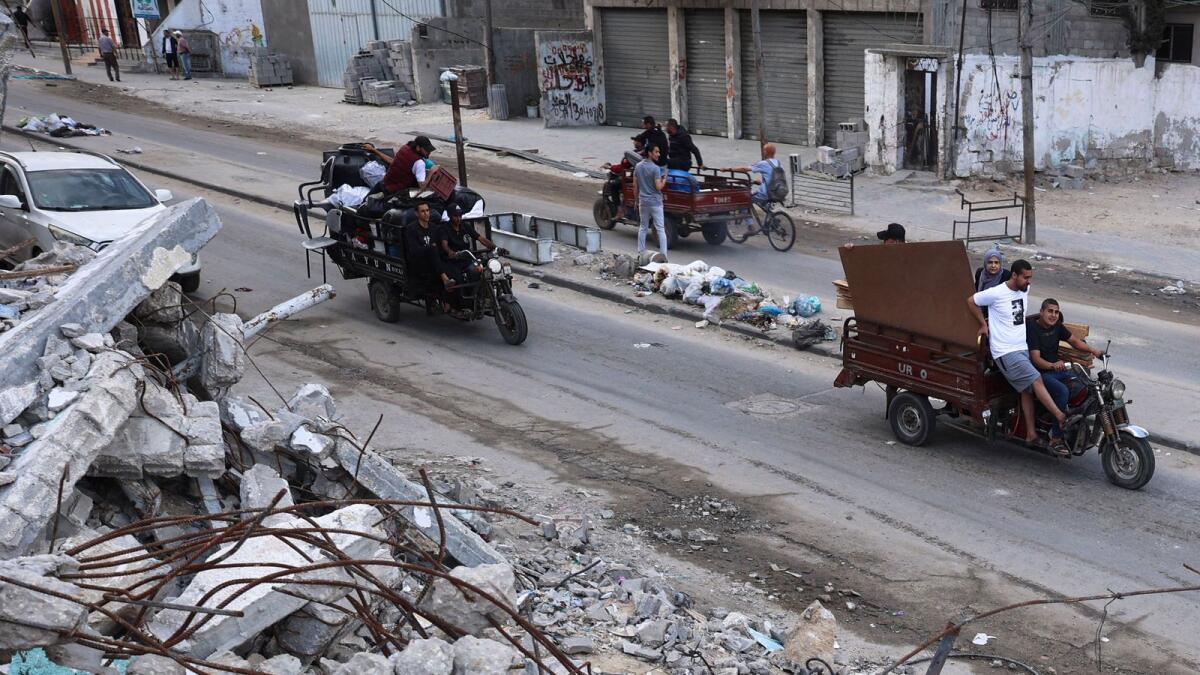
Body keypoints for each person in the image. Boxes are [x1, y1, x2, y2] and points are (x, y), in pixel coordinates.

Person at [967, 259, 1072, 452]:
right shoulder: (997, 293)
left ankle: (1031, 434)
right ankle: (1060, 417)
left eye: (1030, 278)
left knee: (1026, 390)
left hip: (1021, 348)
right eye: (1026, 277)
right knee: (1037, 379)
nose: (1029, 282)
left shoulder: (1024, 289)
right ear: (1014, 276)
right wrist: (983, 324)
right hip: (1005, 352)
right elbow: (971, 301)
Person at [1026, 298, 1103, 448]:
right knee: (1062, 391)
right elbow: (1035, 359)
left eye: (1056, 312)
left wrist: (1094, 350)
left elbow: (1074, 341)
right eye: (1050, 311)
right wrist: (1052, 365)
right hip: (1040, 374)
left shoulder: (1057, 326)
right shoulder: (1032, 328)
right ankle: (1056, 437)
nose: (1053, 315)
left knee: (1086, 381)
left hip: (1057, 370)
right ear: (1041, 312)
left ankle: (1076, 422)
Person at [437, 204, 499, 306]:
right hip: (452, 262)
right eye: (455, 216)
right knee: (459, 279)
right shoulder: (444, 229)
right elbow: (444, 244)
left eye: (460, 215)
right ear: (450, 216)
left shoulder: (465, 226)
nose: (458, 218)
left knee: (481, 272)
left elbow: (480, 238)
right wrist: (451, 253)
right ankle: (461, 304)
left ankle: (479, 296)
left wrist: (495, 248)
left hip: (466, 260)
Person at [729, 143, 782, 235]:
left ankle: (751, 227)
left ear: (766, 152)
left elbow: (745, 169)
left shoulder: (764, 163)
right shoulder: (777, 162)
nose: (763, 152)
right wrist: (760, 182)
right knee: (761, 200)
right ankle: (773, 217)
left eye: (764, 150)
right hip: (778, 191)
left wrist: (729, 169)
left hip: (767, 193)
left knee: (745, 201)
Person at [404, 202, 447, 312]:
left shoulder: (434, 228)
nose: (426, 213)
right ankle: (444, 278)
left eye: (427, 210)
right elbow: (414, 250)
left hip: (434, 263)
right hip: (419, 263)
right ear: (417, 214)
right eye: (422, 211)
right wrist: (429, 248)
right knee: (432, 249)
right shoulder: (411, 229)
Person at [364, 136, 436, 197]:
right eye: (426, 150)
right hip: (394, 193)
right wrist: (431, 173)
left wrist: (374, 150)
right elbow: (422, 187)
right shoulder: (419, 163)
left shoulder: (404, 148)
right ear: (418, 148)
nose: (429, 152)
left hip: (383, 185)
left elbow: (393, 162)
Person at [634, 144, 668, 259]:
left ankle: (640, 253)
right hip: (655, 203)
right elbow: (658, 187)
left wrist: (636, 200)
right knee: (660, 229)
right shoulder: (655, 168)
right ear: (649, 153)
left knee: (643, 227)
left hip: (643, 201)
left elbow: (635, 186)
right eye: (656, 152)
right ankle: (663, 255)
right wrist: (665, 179)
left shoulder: (638, 166)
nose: (658, 154)